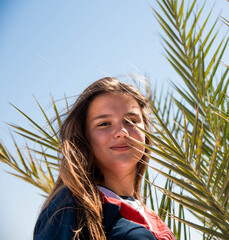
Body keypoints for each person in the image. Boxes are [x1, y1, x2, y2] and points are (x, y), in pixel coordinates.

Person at [34, 77, 175, 240]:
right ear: (84, 137)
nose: (122, 132)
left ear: (146, 130)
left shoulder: (154, 220)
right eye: (104, 123)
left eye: (132, 121)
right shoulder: (71, 208)